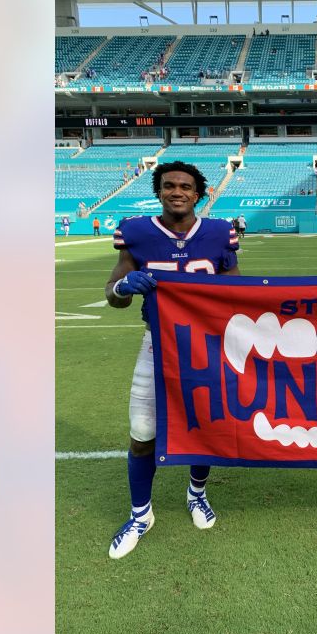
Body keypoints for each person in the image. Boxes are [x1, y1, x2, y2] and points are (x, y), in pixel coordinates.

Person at [103, 161, 241, 559]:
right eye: (168, 186)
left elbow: (237, 293)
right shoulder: (137, 232)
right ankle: (141, 514)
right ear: (158, 191)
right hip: (157, 344)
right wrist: (124, 286)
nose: (176, 191)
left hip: (206, 347)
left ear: (199, 193)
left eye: (184, 186)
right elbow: (114, 294)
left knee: (203, 428)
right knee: (142, 433)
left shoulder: (218, 233)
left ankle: (196, 493)